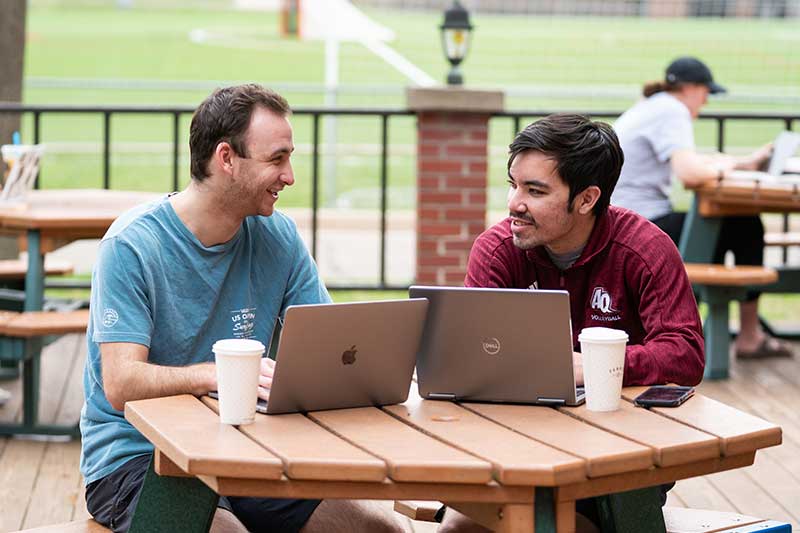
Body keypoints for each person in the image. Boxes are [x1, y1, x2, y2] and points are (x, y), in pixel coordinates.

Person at [79, 84, 408, 533]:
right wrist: (218, 375)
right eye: (277, 159)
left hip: (251, 450)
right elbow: (121, 383)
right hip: (140, 459)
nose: (290, 176)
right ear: (226, 159)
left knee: (376, 528)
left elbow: (332, 346)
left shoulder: (278, 236)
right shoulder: (133, 246)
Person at [441, 113, 704, 533]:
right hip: (517, 448)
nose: (513, 204)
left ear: (586, 199)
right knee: (463, 529)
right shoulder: (496, 250)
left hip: (624, 456)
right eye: (513, 185)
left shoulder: (646, 248)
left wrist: (595, 365)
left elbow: (685, 355)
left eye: (534, 190)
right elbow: (471, 359)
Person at [611, 56, 791, 359]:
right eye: (707, 93)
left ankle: (703, 330)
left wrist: (736, 163)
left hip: (623, 217)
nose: (705, 103)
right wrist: (725, 168)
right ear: (691, 88)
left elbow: (690, 163)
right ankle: (746, 335)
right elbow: (690, 174)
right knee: (744, 224)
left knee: (719, 230)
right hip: (637, 223)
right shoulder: (672, 110)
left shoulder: (654, 105)